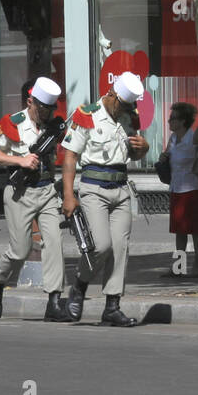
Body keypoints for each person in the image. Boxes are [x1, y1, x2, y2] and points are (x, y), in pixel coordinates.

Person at [61, 72, 150, 326]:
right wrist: (69, 195)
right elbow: (70, 155)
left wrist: (144, 149)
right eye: (123, 105)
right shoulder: (86, 115)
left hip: (121, 188)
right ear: (111, 94)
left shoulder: (129, 117)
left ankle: (112, 305)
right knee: (100, 246)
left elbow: (131, 153)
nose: (127, 110)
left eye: (130, 106)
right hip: (93, 188)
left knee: (120, 248)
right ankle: (79, 285)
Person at [0, 77, 70, 322]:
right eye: (42, 108)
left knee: (54, 243)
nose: (47, 113)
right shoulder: (12, 123)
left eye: (51, 109)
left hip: (47, 190)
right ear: (31, 102)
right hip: (20, 193)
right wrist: (20, 160)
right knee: (20, 250)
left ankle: (53, 301)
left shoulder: (53, 126)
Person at [165, 101, 198, 276]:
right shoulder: (173, 139)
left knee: (196, 230)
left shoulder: (193, 138)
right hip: (176, 188)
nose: (169, 122)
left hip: (192, 188)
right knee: (179, 231)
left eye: (172, 119)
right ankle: (179, 268)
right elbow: (167, 156)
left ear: (182, 121)